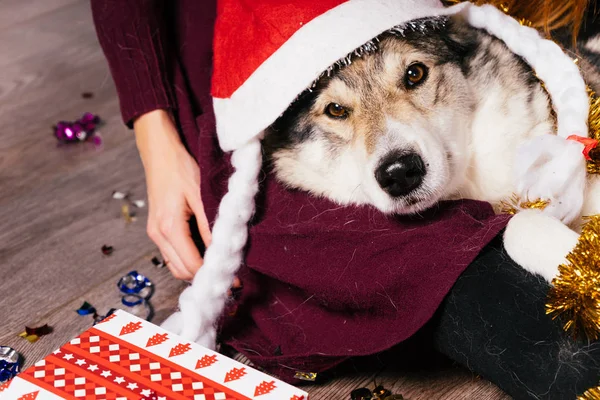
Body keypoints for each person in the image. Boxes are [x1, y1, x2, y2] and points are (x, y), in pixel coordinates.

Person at [92, 1, 600, 398]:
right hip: (233, 43)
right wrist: (154, 135)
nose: (390, 143)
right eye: (339, 109)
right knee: (284, 228)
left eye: (413, 76)